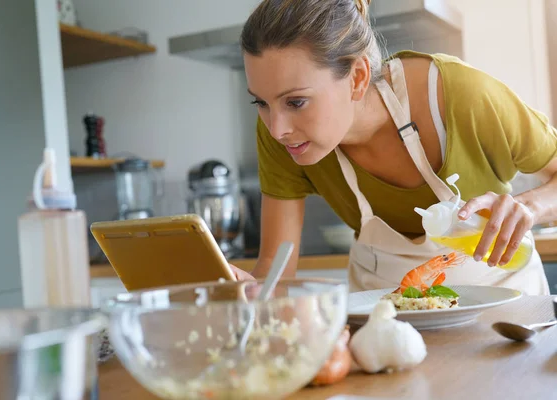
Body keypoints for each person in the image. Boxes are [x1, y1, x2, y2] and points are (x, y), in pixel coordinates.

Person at [230, 0, 557, 295]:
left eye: (296, 102)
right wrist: (246, 291)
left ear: (357, 77)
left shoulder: (460, 95)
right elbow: (275, 268)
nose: (277, 129)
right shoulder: (286, 137)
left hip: (507, 322)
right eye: (261, 102)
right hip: (384, 337)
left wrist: (528, 206)